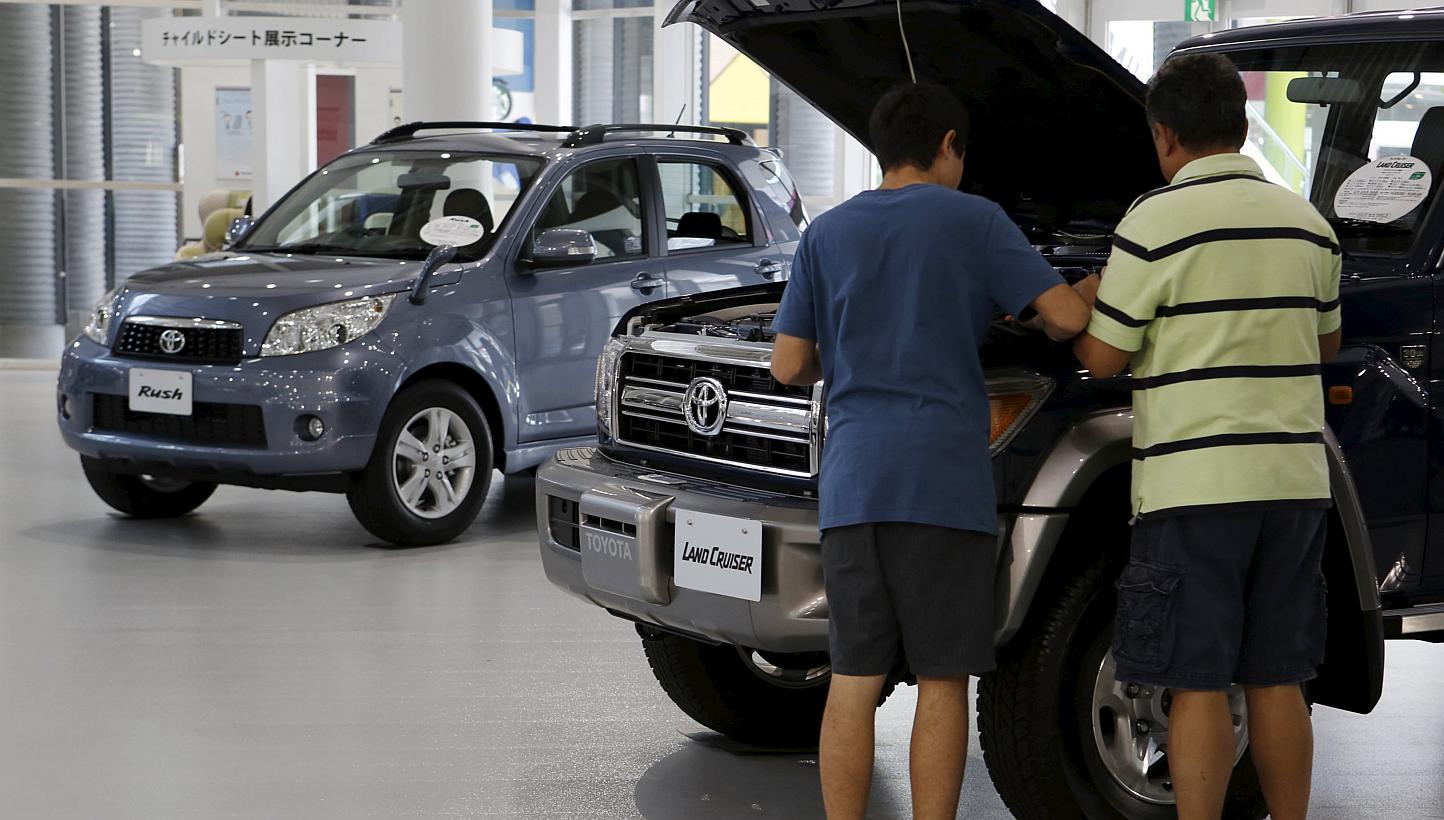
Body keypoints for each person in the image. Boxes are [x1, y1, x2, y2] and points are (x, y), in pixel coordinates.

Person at [769, 82, 1098, 820]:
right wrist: (1091, 283)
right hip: (942, 485)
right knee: (945, 678)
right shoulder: (975, 221)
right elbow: (1067, 317)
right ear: (948, 144)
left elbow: (788, 365)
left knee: (853, 675)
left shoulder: (827, 231)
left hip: (854, 485)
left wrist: (854, 355)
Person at [1074, 54, 1342, 820]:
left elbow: (1102, 356)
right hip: (1293, 486)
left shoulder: (1153, 224)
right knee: (1278, 677)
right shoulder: (1309, 224)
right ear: (1244, 124)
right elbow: (1322, 347)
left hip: (1192, 493)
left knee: (1195, 681)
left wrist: (1083, 304)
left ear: (1163, 136)